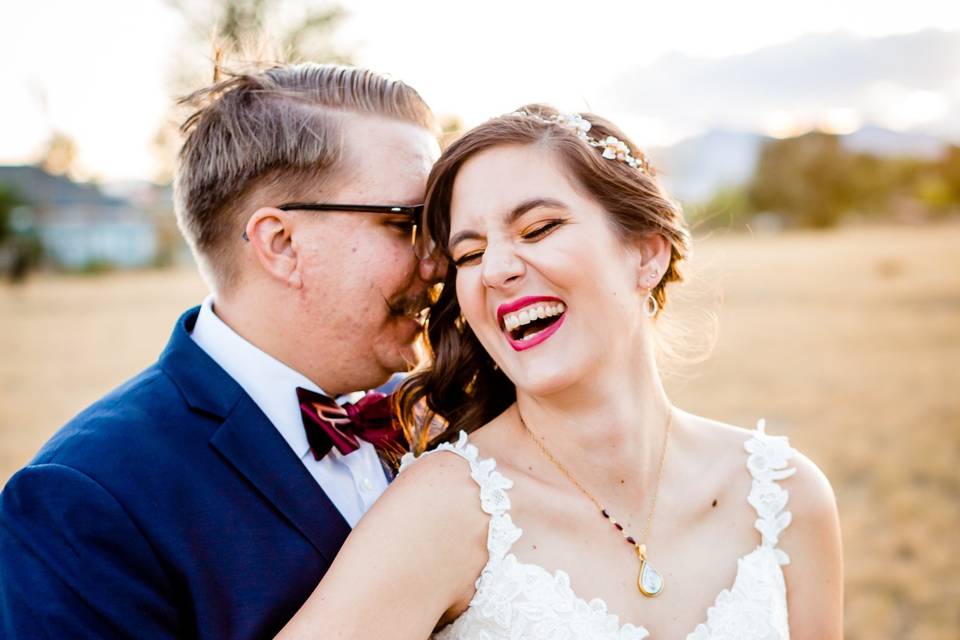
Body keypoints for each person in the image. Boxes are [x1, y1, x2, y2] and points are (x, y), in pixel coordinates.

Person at [278, 105, 844, 639]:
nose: (496, 269)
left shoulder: (785, 496)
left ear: (647, 253)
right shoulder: (446, 508)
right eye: (470, 254)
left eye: (538, 228)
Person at [0, 63, 441, 638]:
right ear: (282, 244)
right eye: (407, 223)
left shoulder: (439, 415)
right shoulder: (83, 499)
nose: (437, 261)